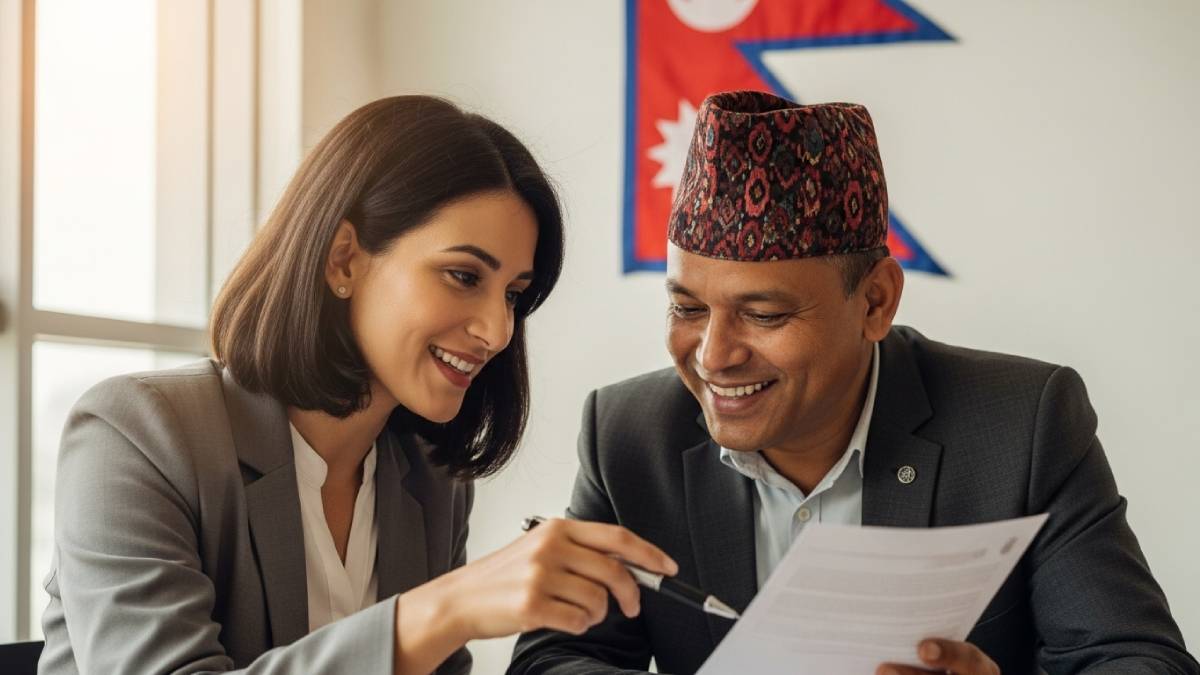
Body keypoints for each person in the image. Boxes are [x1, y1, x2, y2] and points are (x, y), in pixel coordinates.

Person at [509, 91, 1198, 674]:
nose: (714, 355)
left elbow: (1138, 658)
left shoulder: (1024, 422)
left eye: (764, 313)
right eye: (687, 308)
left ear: (875, 301)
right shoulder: (628, 434)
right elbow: (550, 659)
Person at [38, 95, 678, 675]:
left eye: (513, 294)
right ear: (343, 259)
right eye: (462, 276)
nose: (498, 329)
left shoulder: (431, 478)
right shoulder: (134, 437)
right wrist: (445, 608)